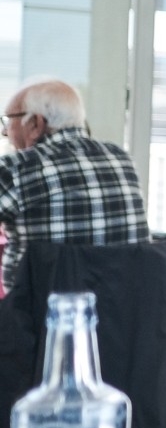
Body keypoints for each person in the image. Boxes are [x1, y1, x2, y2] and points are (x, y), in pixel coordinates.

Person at [0, 78, 150, 293]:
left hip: (39, 318)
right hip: (125, 317)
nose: (5, 132)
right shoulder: (122, 159)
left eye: (8, 121)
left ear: (36, 124)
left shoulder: (15, 168)